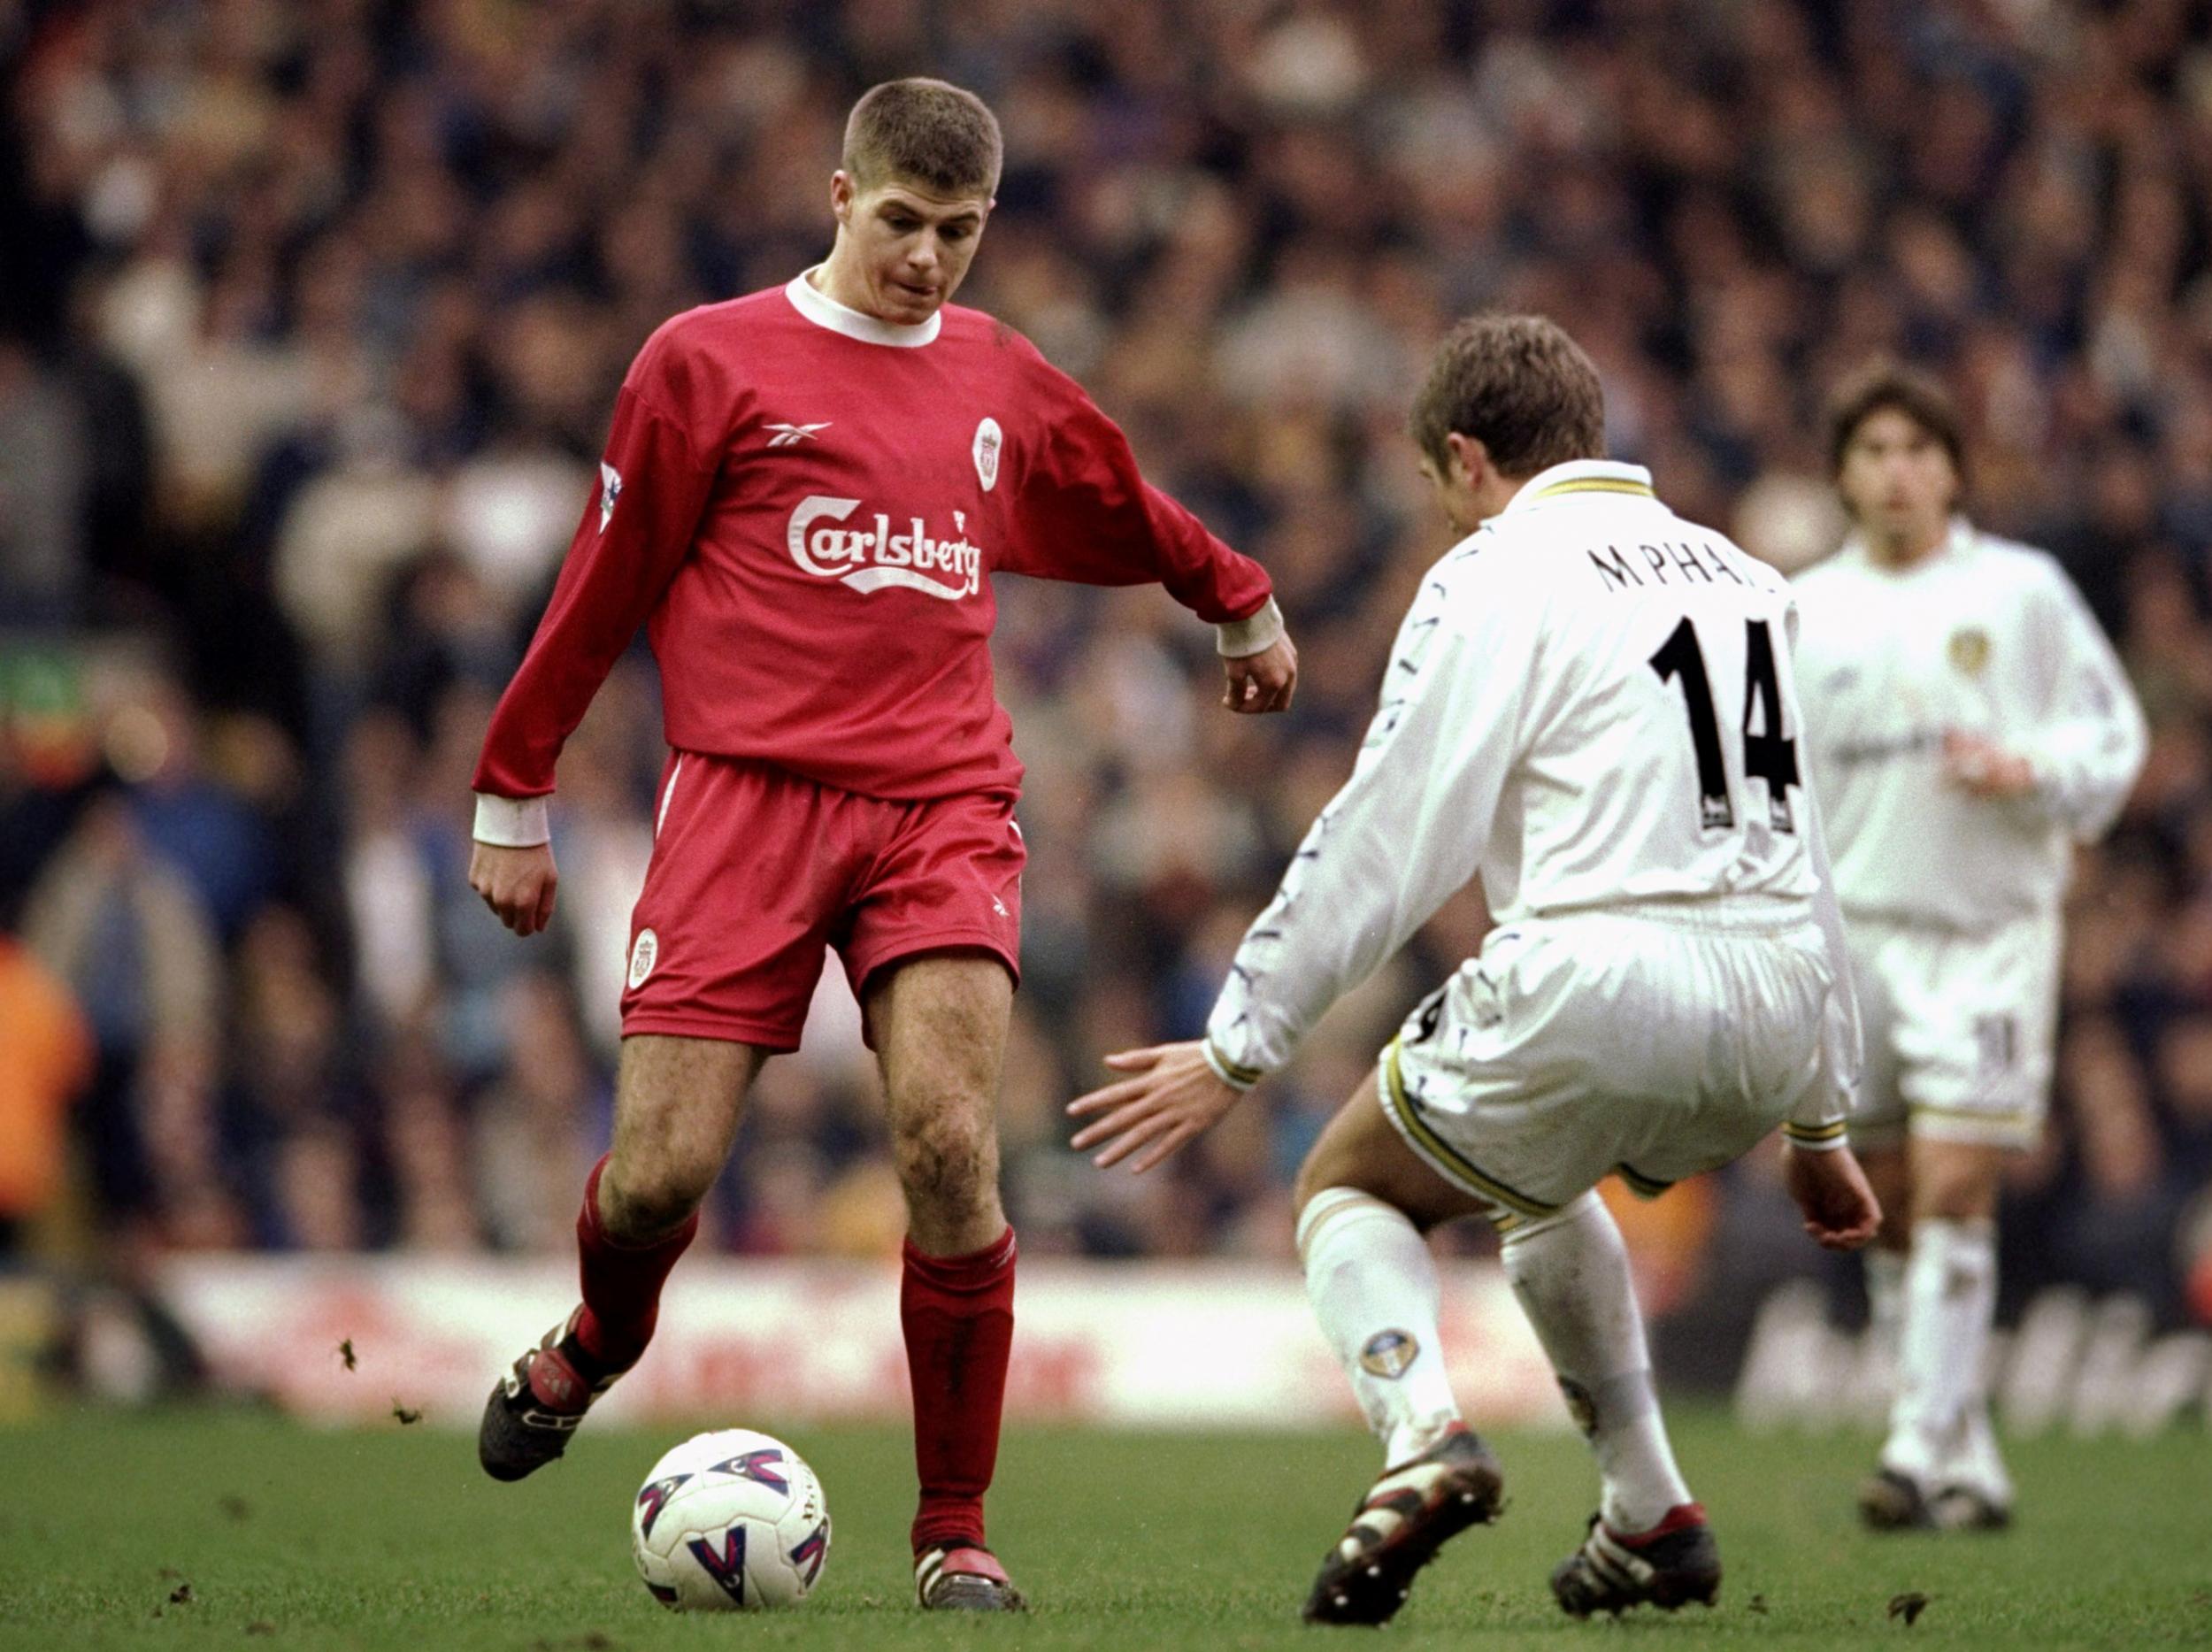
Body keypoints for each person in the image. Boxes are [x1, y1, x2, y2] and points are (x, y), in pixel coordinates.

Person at [465, 78, 1297, 1612]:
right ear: (839, 198)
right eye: (902, 223)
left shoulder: (994, 374)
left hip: (941, 805)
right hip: (743, 801)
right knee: (653, 1183)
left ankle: (953, 1531)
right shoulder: (705, 363)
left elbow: (1115, 499)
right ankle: (599, 1342)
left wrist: (1233, 592)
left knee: (949, 1142)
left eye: (960, 232)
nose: (927, 259)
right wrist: (515, 793)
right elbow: (603, 578)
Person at [1068, 313, 1878, 1625]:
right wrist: (1822, 1114)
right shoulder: (1749, 579)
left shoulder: (1499, 570)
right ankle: (1650, 1514)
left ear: (1462, 457)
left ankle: (1423, 1440)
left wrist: (1239, 1044)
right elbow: (1806, 841)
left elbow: (1392, 831)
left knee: (1344, 1184)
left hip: (1604, 974)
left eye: (1438, 490)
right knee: (1538, 1183)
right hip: (1779, 1000)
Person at [1792, 363, 2146, 1533]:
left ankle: (1906, 1445)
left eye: (1919, 450)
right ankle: (1964, 1447)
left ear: (1952, 466)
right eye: (1874, 451)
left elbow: (2113, 734)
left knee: (1957, 1182)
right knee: (1889, 1198)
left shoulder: (2022, 591)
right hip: (1857, 944)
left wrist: (2030, 768)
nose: (1898, 472)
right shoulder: (1800, 610)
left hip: (1988, 937)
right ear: (1842, 473)